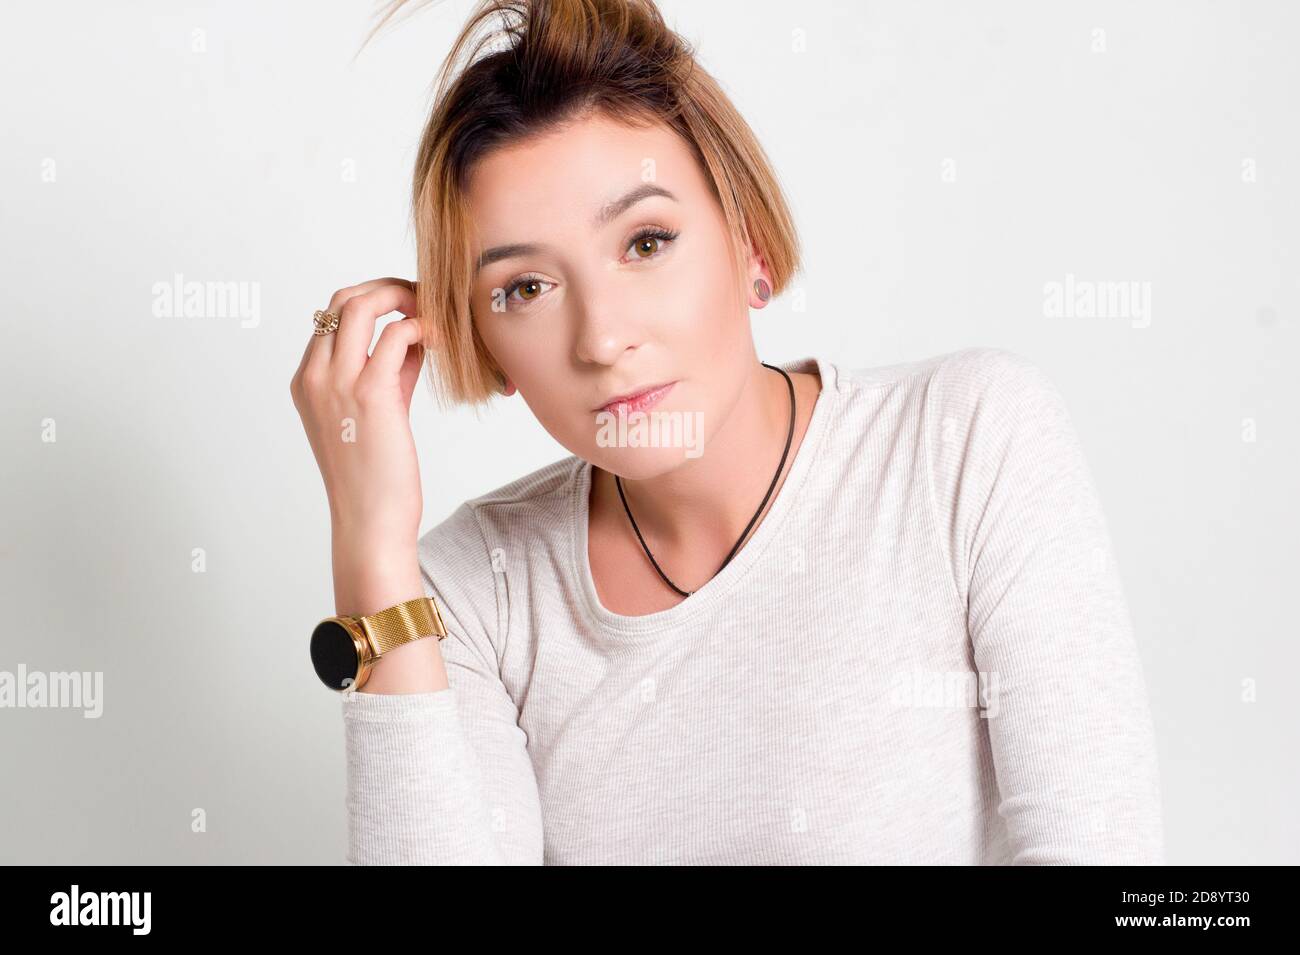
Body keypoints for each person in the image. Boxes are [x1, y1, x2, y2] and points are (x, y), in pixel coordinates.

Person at [290, 0, 1165, 864]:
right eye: (525, 288)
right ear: (485, 341)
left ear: (749, 243)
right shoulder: (470, 592)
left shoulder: (968, 441)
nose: (601, 338)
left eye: (646, 241)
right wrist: (369, 547)